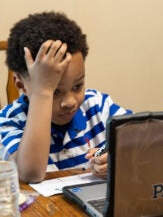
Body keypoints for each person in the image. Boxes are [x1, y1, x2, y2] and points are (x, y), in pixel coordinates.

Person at [0, 11, 131, 183]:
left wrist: (117, 158)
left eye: (77, 86)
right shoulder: (9, 121)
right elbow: (31, 173)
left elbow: (141, 139)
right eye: (55, 91)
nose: (70, 102)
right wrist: (43, 92)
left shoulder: (98, 105)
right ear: (21, 85)